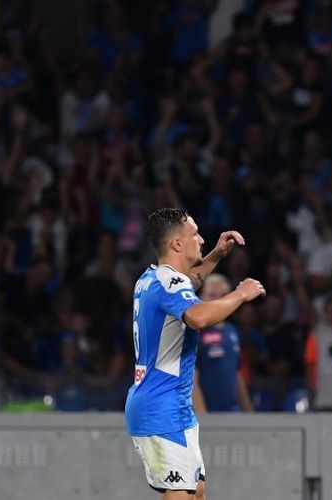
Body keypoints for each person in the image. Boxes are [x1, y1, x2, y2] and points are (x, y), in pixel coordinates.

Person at [125, 208, 265, 500]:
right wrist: (240, 294)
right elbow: (198, 317)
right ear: (177, 244)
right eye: (195, 234)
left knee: (197, 492)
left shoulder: (153, 278)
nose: (201, 239)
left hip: (171, 406)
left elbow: (191, 282)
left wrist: (216, 255)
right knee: (180, 495)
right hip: (161, 407)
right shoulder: (169, 283)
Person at [193, 273, 253, 413]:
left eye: (223, 295)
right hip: (208, 412)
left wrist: (249, 412)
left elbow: (237, 374)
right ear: (201, 297)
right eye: (212, 295)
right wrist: (204, 418)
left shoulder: (232, 331)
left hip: (232, 412)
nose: (218, 300)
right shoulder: (195, 332)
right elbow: (191, 381)